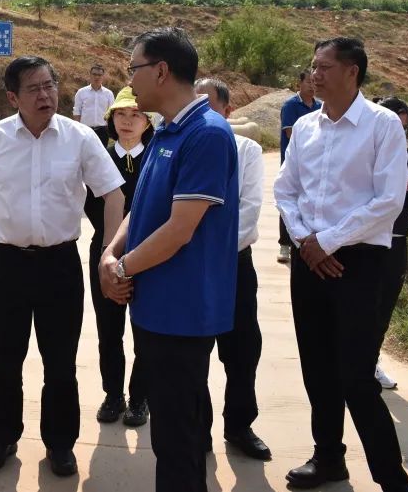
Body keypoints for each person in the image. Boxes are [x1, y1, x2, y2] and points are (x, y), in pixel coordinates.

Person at [99, 30, 239, 492]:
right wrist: (110, 252)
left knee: (179, 437)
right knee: (171, 432)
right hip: (155, 306)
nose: (129, 81)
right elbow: (141, 207)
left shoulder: (207, 134)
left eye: (133, 69)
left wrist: (122, 269)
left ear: (160, 71)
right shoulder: (166, 131)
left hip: (183, 312)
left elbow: (180, 229)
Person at [0, 56, 124, 477]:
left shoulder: (80, 137)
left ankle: (60, 443)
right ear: (12, 97)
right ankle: (1, 437)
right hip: (8, 264)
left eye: (49, 85)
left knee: (60, 361)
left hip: (60, 264)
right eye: (34, 88)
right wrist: (17, 226)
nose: (45, 95)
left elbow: (113, 193)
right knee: (5, 357)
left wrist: (109, 251)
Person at [273, 37, 408, 492]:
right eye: (313, 66)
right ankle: (328, 457)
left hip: (357, 262)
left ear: (353, 72)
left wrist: (328, 241)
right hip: (309, 260)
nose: (314, 74)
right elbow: (285, 189)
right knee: (316, 366)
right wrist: (304, 240)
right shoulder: (305, 127)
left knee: (355, 375)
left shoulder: (382, 125)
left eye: (324, 67)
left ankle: (392, 479)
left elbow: (388, 200)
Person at [194, 77, 271, 461]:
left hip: (233, 264)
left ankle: (239, 425)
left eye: (209, 106)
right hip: (190, 266)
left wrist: (204, 246)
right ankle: (198, 430)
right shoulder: (180, 145)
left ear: (228, 111)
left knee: (242, 351)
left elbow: (248, 210)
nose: (201, 114)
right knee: (194, 353)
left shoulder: (247, 151)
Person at [84, 86, 151, 428]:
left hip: (149, 254)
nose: (127, 121)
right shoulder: (100, 157)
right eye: (121, 114)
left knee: (145, 331)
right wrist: (110, 242)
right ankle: (113, 394)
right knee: (109, 330)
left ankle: (139, 398)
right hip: (105, 249)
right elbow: (90, 202)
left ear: (147, 121)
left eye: (135, 115)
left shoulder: (157, 157)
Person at [373, 97, 408, 392]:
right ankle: (348, 362)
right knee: (360, 306)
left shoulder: (406, 155)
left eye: (405, 128)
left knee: (384, 307)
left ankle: (370, 362)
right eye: (396, 125)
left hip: (397, 241)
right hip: (367, 241)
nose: (401, 133)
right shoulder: (364, 151)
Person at [277, 69, 321, 263]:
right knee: (288, 203)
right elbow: (291, 134)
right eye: (309, 82)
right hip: (293, 166)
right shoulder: (291, 105)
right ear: (299, 84)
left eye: (314, 82)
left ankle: (309, 240)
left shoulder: (320, 106)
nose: (312, 85)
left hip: (315, 167)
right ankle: (285, 245)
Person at [73, 63, 115, 129]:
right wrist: (77, 128)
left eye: (99, 75)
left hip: (103, 129)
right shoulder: (81, 92)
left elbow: (111, 112)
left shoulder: (109, 94)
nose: (97, 77)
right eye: (94, 74)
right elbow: (77, 111)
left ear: (103, 76)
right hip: (85, 129)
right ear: (90, 75)